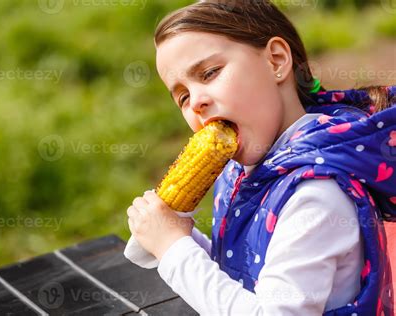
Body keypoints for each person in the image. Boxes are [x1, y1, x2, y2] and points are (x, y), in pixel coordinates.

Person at [125, 1, 395, 314]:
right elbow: (241, 273)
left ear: (276, 60)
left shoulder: (317, 194)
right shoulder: (241, 170)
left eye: (210, 73)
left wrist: (174, 250)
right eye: (183, 96)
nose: (196, 101)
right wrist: (176, 233)